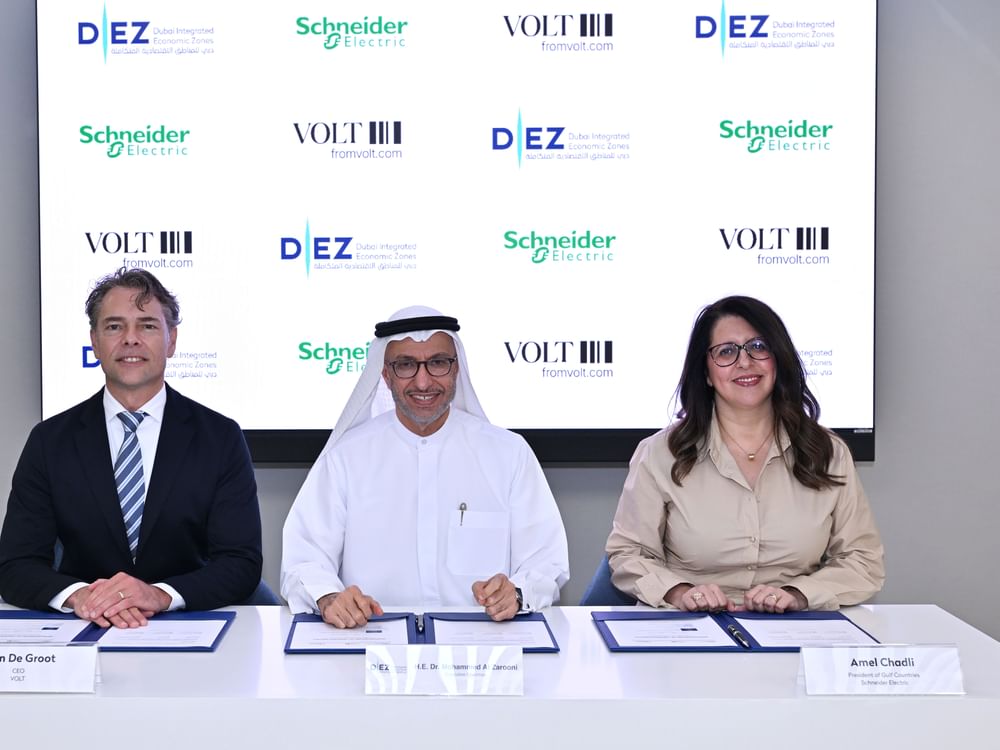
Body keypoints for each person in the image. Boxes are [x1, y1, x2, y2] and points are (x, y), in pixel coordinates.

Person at [0, 268, 263, 627]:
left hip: (187, 628)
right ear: (94, 342)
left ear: (171, 341)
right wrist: (82, 596)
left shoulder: (220, 437)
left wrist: (159, 595)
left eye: (147, 326)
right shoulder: (50, 441)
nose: (130, 339)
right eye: (114, 327)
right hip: (86, 626)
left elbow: (241, 563)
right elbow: (15, 565)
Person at [281, 306, 569, 628]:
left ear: (456, 369)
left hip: (481, 643)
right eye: (405, 365)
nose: (422, 381)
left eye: (437, 363)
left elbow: (546, 560)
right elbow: (304, 557)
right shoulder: (345, 458)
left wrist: (516, 592)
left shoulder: (509, 454)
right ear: (385, 375)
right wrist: (329, 597)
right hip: (371, 638)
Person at [606, 295, 884, 612]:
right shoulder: (659, 454)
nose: (744, 362)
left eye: (758, 347)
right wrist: (680, 593)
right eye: (726, 351)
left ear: (778, 360)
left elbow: (863, 560)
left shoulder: (828, 452)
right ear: (706, 373)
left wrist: (799, 594)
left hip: (793, 628)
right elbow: (628, 554)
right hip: (690, 627)